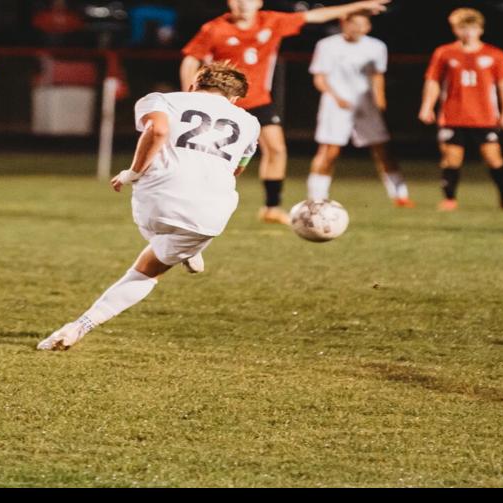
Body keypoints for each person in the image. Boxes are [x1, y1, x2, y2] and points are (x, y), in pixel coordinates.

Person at [38, 62, 261, 352]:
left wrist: (132, 172)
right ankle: (79, 326)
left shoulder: (161, 99)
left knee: (159, 232)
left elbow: (157, 130)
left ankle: (182, 250)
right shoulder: (250, 123)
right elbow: (238, 168)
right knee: (147, 271)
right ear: (235, 99)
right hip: (210, 214)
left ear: (193, 85)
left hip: (158, 201)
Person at [179, 0, 391, 225]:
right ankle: (192, 199)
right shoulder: (214, 28)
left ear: (259, 2)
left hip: (259, 100)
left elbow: (317, 15)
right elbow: (190, 60)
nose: (243, 4)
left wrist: (358, 6)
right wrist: (190, 97)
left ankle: (271, 207)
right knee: (206, 154)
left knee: (277, 149)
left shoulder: (271, 21)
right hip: (222, 103)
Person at [307, 10, 409, 206]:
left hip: (365, 105)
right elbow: (320, 78)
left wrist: (380, 99)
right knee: (329, 152)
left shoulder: (377, 47)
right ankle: (316, 198)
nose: (358, 29)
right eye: (354, 24)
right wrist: (337, 98)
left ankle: (400, 195)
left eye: (363, 25)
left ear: (369, 27)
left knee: (383, 150)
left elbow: (377, 75)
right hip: (336, 105)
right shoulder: (327, 45)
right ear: (344, 23)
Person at [419, 7, 503, 211]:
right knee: (451, 158)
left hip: (484, 117)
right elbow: (433, 81)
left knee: (493, 158)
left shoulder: (495, 54)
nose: (467, 33)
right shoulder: (444, 52)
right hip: (452, 115)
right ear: (455, 29)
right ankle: (450, 199)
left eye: (472, 28)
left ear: (480, 29)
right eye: (462, 28)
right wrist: (427, 106)